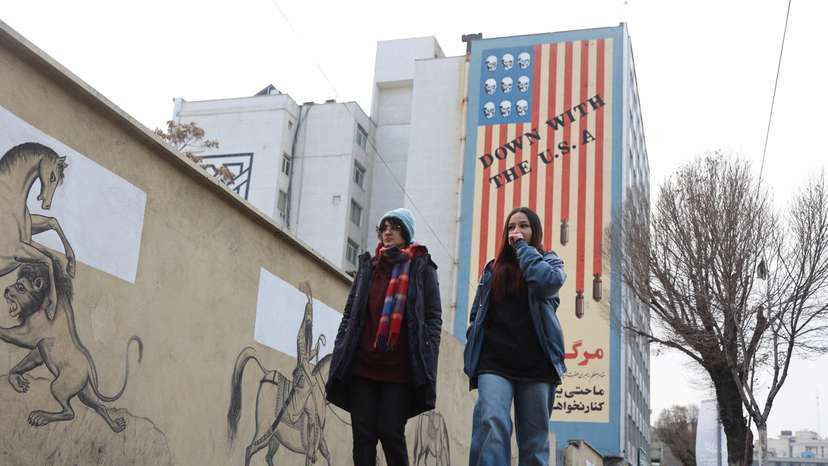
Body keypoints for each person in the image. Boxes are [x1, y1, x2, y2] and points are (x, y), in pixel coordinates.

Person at [326, 208, 442, 466]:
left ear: (406, 232)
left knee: (390, 432)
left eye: (395, 227)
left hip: (399, 370)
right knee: (363, 437)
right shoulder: (369, 266)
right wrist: (342, 341)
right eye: (384, 227)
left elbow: (433, 318)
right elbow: (350, 312)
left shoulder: (420, 266)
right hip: (362, 366)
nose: (388, 232)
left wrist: (428, 352)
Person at [463, 206, 567, 466]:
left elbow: (546, 284)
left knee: (534, 442)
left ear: (535, 231)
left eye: (523, 226)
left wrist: (523, 250)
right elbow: (477, 314)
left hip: (537, 363)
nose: (516, 231)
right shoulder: (492, 269)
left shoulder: (550, 262)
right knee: (491, 423)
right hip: (494, 362)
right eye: (511, 227)